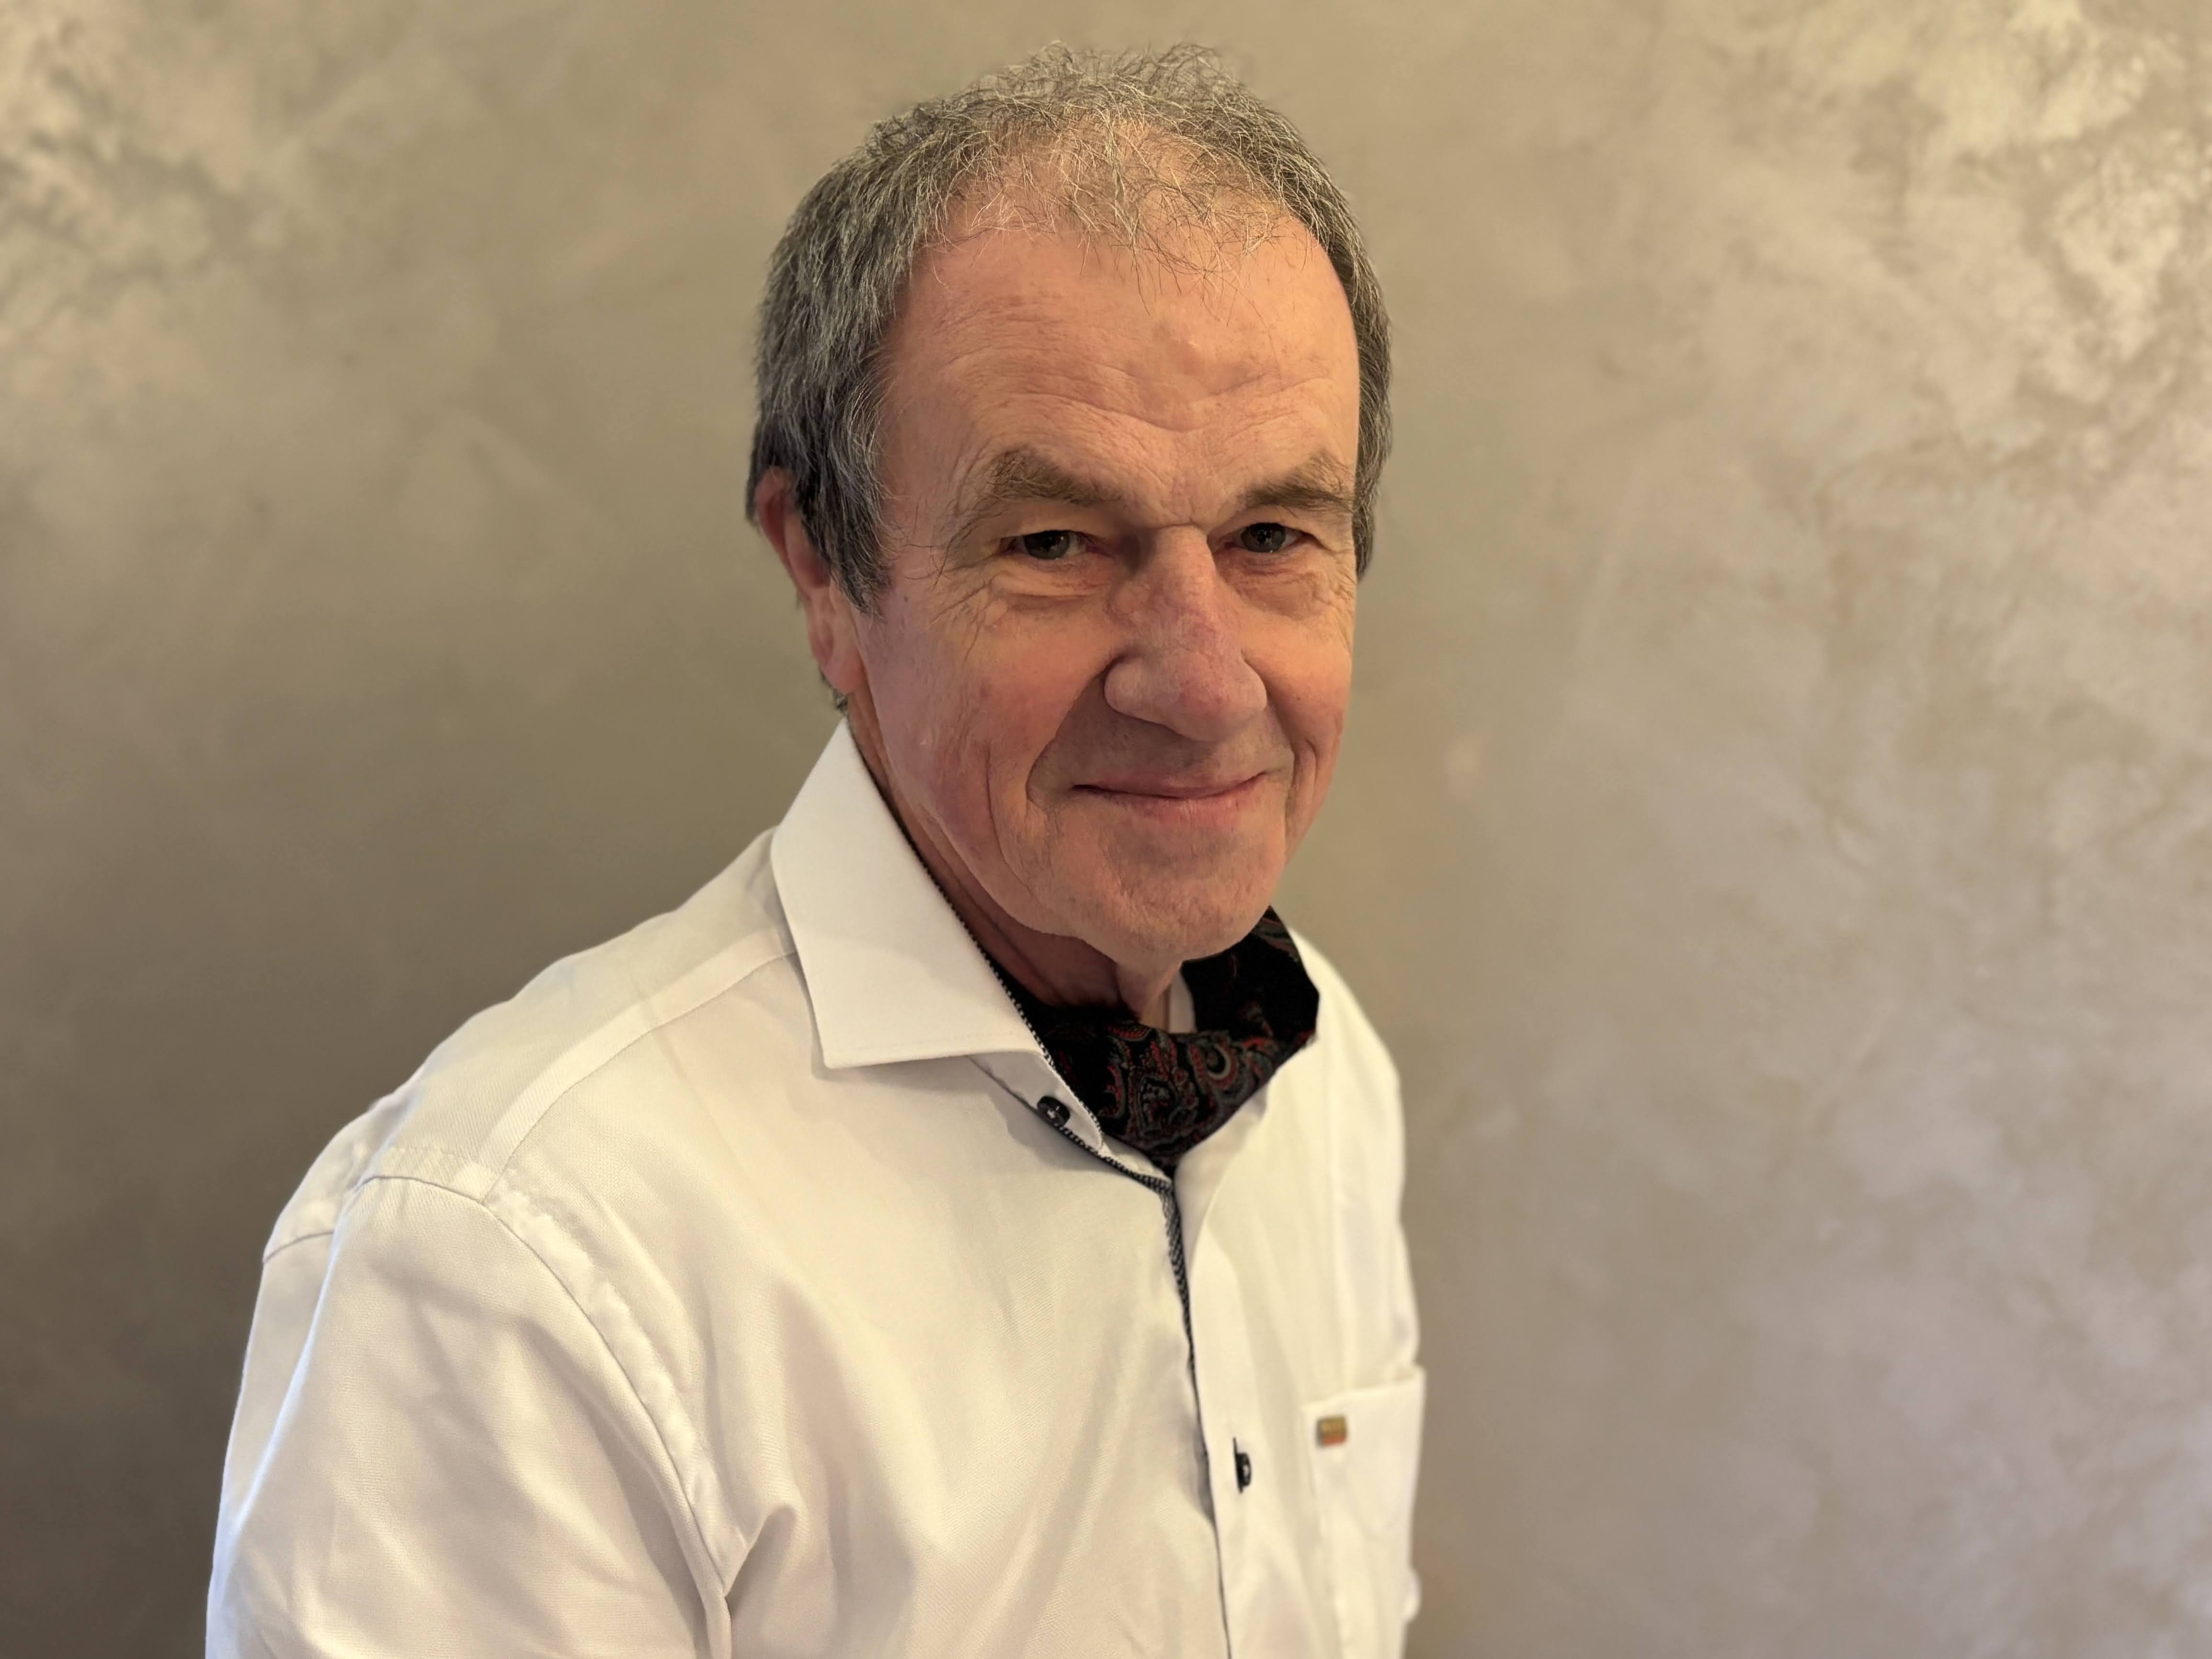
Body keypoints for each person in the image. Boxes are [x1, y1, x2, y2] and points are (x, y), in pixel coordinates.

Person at [208, 44, 1422, 1659]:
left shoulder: (1326, 1083)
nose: (1202, 686)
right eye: (1054, 541)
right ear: (824, 575)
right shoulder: (512, 1260)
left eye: (1273, 534)